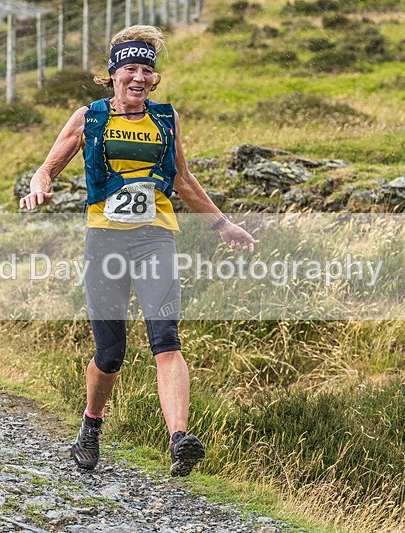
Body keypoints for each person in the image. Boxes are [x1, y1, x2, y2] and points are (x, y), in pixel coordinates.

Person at [20, 25, 256, 477]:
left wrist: (223, 224)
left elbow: (183, 180)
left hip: (155, 239)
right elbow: (46, 169)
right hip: (105, 240)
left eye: (147, 70)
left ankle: (179, 439)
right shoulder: (89, 118)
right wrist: (39, 188)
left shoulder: (166, 120)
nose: (139, 77)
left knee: (165, 339)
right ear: (113, 75)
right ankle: (91, 425)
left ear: (155, 79)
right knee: (111, 354)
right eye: (130, 68)